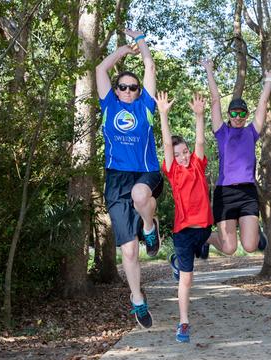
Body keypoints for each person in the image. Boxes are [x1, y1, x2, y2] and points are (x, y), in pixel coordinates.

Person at [95, 29, 163, 329]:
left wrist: (141, 41)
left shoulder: (144, 106)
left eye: (132, 88)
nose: (127, 91)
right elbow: (100, 69)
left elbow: (150, 66)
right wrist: (122, 50)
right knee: (129, 250)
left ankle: (150, 226)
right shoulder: (108, 105)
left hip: (145, 172)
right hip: (115, 180)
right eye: (122, 87)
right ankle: (137, 298)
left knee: (140, 195)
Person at [156, 91, 220, 343]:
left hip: (204, 229)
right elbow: (165, 143)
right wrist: (163, 114)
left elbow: (201, 142)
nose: (182, 156)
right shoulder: (172, 171)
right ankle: (183, 323)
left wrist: (200, 115)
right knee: (187, 280)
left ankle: (200, 248)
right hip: (183, 232)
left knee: (227, 245)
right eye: (178, 153)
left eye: (184, 152)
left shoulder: (197, 164)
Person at [201, 59, 271, 254]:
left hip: (247, 193)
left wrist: (268, 80)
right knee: (229, 248)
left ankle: (254, 232)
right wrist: (209, 70)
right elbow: (215, 99)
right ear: (229, 114)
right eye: (234, 112)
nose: (238, 116)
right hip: (225, 194)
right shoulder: (221, 131)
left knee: (250, 246)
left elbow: (263, 103)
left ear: (246, 115)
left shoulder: (252, 132)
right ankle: (205, 237)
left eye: (242, 113)